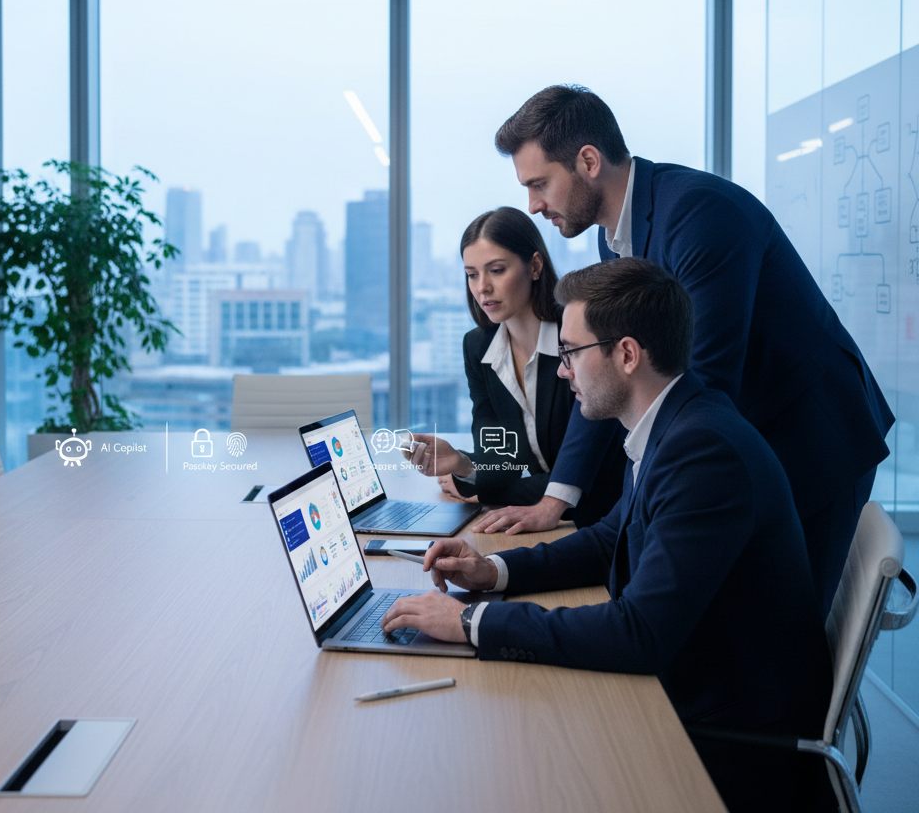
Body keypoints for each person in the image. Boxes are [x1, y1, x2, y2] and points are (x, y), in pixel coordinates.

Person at [382, 259, 835, 813]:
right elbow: (608, 539)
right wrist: (494, 571)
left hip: (724, 730)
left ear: (625, 354)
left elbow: (638, 632)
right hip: (693, 678)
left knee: (511, 765)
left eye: (571, 353)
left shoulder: (701, 450)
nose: (562, 370)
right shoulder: (674, 421)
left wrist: (470, 621)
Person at [471, 83, 893, 617]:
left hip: (809, 435)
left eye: (540, 184)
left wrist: (640, 503)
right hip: (744, 428)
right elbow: (606, 370)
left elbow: (697, 381)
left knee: (782, 632)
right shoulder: (613, 235)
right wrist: (559, 496)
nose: (533, 205)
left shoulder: (699, 214)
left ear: (587, 161)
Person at [404, 207, 625, 520]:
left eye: (496, 270)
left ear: (534, 266)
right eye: (472, 274)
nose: (482, 287)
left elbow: (585, 477)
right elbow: (503, 462)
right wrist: (462, 465)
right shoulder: (478, 347)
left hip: (607, 521)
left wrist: (485, 491)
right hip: (552, 525)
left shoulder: (580, 336)